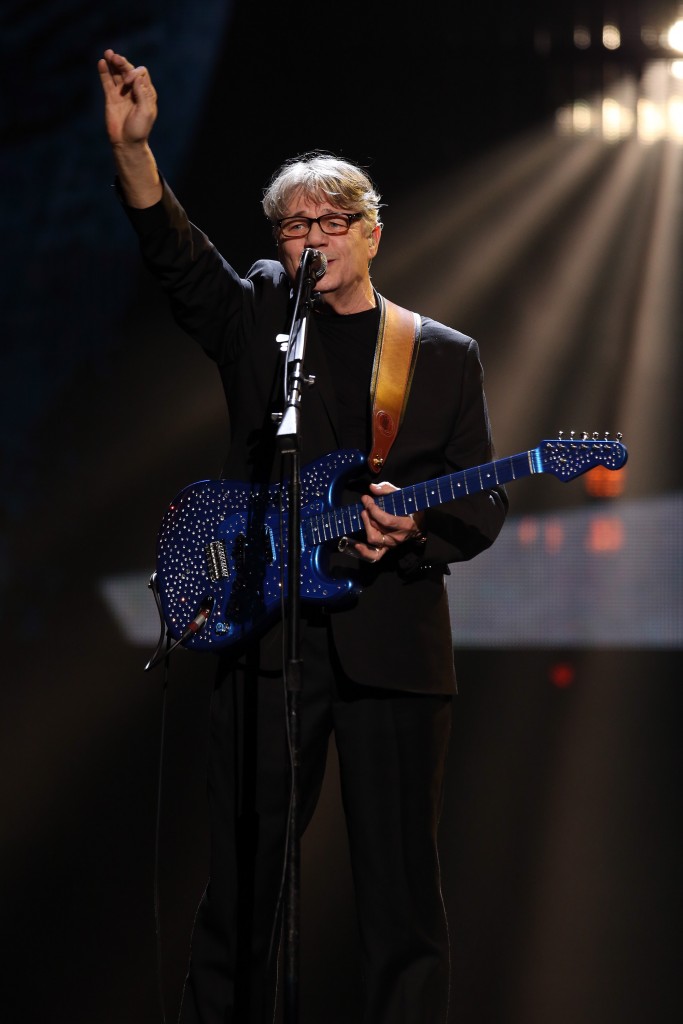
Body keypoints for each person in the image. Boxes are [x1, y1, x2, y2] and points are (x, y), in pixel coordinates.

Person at [98, 48, 508, 1024]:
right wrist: (134, 151)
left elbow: (482, 504)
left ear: (370, 233)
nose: (312, 238)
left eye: (330, 222)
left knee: (401, 902)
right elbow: (176, 256)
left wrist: (411, 526)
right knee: (242, 888)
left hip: (393, 651)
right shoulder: (255, 320)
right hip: (266, 640)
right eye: (294, 225)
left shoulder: (439, 356)